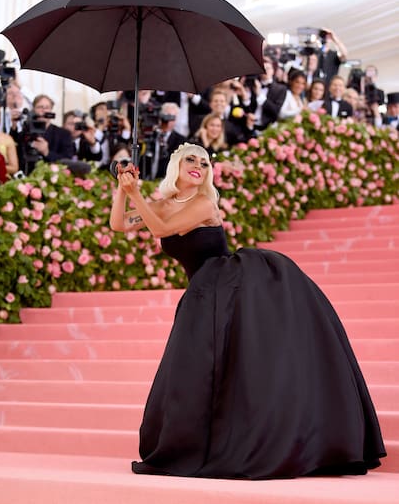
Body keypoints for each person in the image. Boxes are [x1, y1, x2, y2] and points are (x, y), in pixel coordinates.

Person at [109, 142, 386, 480]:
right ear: (176, 166)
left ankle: (266, 438)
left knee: (239, 364)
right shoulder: (165, 204)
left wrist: (136, 194)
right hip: (203, 290)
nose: (199, 165)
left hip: (230, 284)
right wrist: (122, 190)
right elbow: (121, 224)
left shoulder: (203, 202)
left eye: (205, 162)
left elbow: (162, 230)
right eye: (190, 160)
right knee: (198, 367)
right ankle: (197, 442)